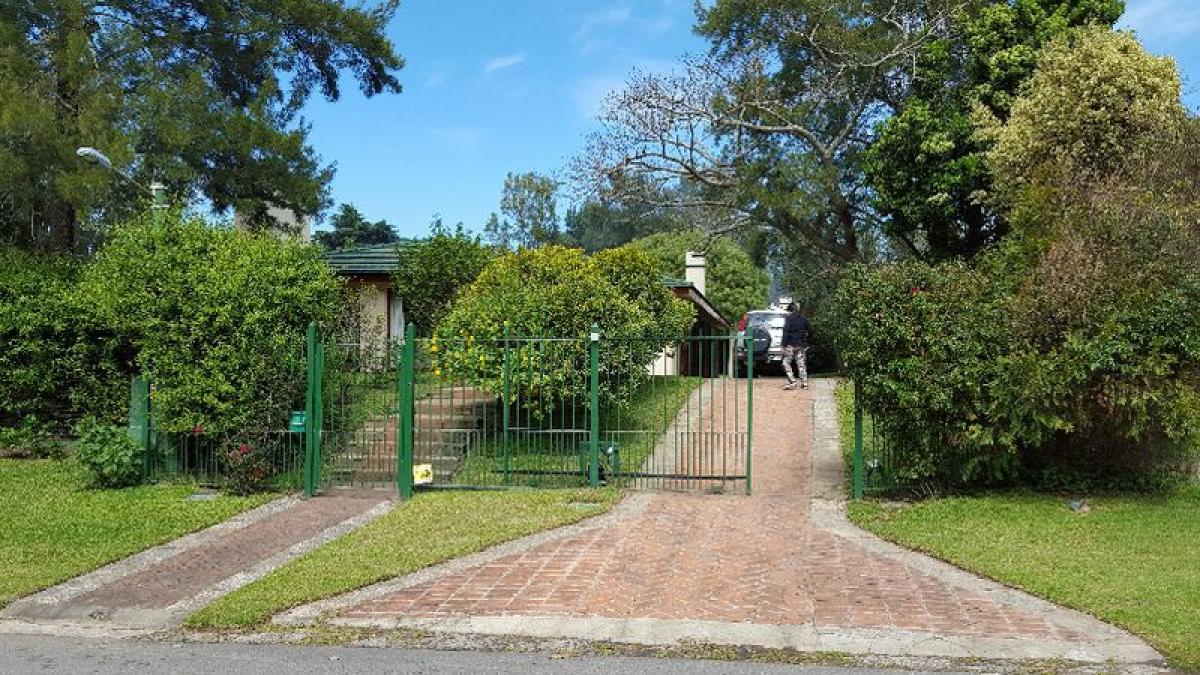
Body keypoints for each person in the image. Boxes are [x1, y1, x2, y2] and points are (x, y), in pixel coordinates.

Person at [781, 302, 810, 390]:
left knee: (785, 363)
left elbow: (785, 332)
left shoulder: (789, 318)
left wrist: (783, 345)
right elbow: (810, 331)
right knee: (801, 363)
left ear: (789, 310)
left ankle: (792, 382)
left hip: (791, 345)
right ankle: (804, 382)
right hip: (801, 345)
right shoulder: (804, 318)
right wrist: (807, 343)